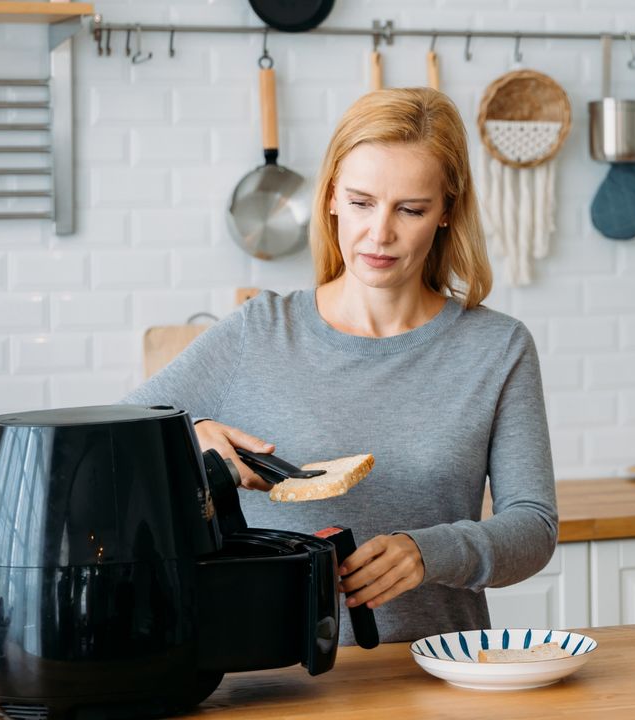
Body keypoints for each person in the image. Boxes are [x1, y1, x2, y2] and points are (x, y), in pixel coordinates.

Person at [123, 87, 557, 646]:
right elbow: (111, 443)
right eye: (360, 202)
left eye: (411, 209)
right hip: (272, 679)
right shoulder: (258, 331)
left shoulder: (497, 349)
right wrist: (188, 439)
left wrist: (430, 551)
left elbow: (534, 529)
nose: (380, 233)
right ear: (329, 198)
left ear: (447, 210)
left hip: (437, 672)